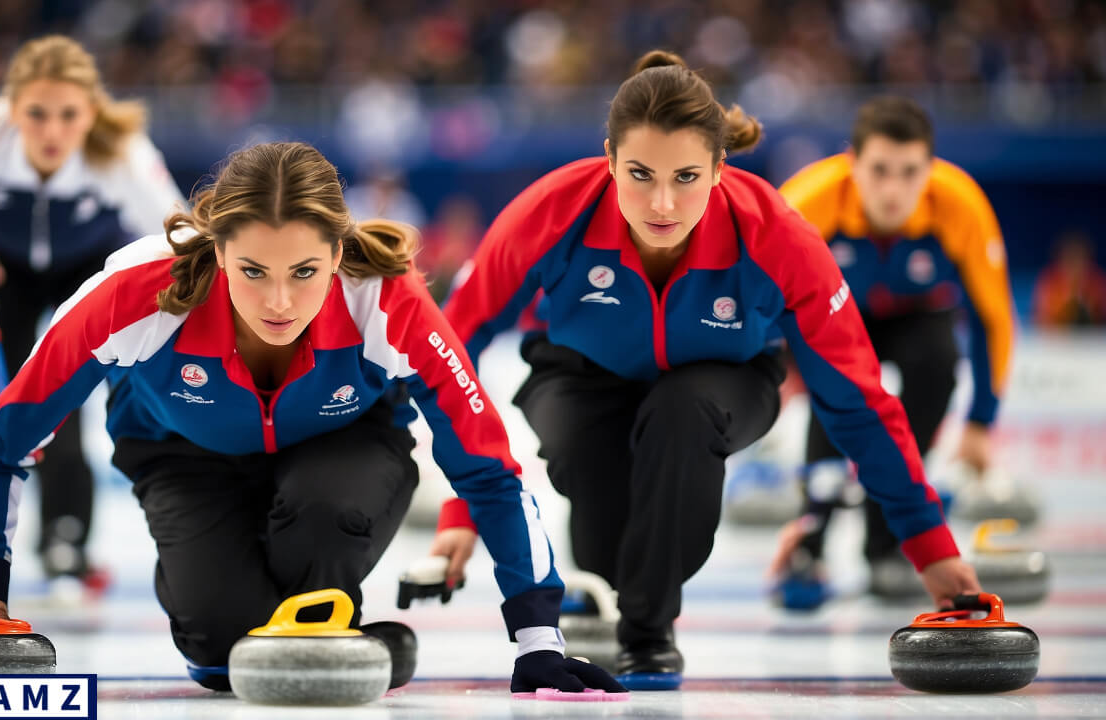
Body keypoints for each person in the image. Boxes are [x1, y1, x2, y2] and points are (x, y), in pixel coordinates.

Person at [0, 141, 625, 696]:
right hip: (184, 457)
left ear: (338, 253)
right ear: (215, 253)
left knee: (322, 523)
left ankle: (322, 606)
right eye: (251, 272)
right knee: (221, 660)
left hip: (346, 450)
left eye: (304, 272)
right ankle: (226, 593)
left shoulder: (387, 300)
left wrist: (538, 638)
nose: (278, 302)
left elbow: (487, 466)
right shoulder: (131, 295)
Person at [425, 51, 980, 688]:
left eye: (686, 176)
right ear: (609, 159)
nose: (662, 203)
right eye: (639, 174)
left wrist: (929, 544)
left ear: (719, 168)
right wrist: (467, 508)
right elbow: (451, 346)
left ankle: (648, 633)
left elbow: (856, 398)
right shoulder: (552, 212)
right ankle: (619, 580)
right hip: (579, 375)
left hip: (726, 378)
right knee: (604, 539)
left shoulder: (778, 236)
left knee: (681, 413)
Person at [0, 35, 185, 586]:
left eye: (68, 116)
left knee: (60, 404)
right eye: (36, 114)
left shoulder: (123, 154)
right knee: (6, 403)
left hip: (83, 269)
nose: (51, 132)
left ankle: (67, 536)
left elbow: (180, 232)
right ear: (12, 109)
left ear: (90, 113)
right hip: (4, 271)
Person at [772, 96, 1016, 601]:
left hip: (919, 318)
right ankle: (809, 543)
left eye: (909, 172)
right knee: (835, 392)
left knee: (939, 366)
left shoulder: (961, 205)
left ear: (930, 169)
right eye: (879, 170)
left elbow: (993, 320)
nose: (893, 189)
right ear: (852, 164)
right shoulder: (805, 203)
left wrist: (980, 423)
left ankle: (887, 545)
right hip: (836, 316)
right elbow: (757, 299)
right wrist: (772, 372)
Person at [1033, 230, 1106, 328]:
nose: (1074, 264)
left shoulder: (1097, 282)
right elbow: (1040, 319)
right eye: (1070, 258)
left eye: (1078, 258)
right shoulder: (1049, 282)